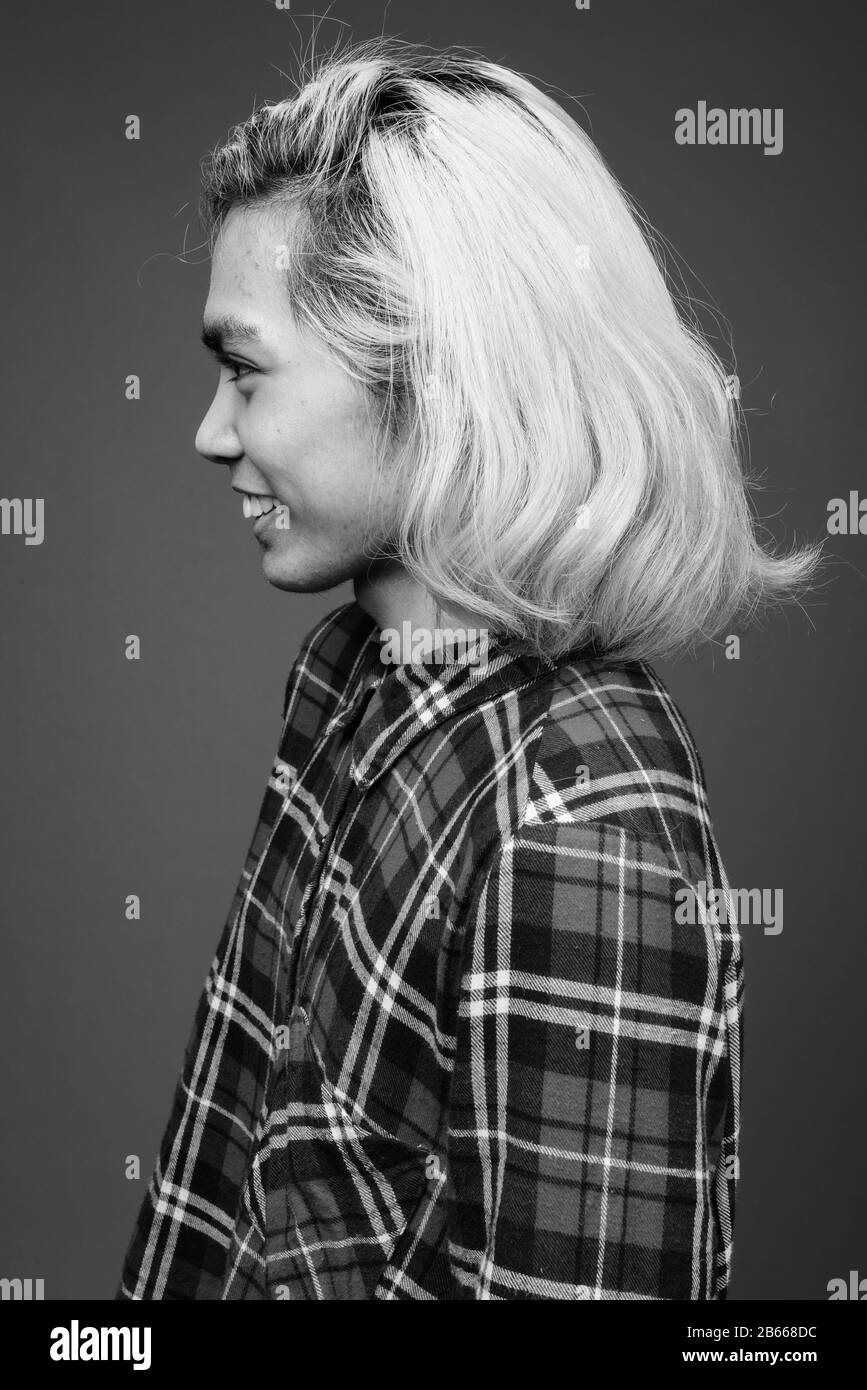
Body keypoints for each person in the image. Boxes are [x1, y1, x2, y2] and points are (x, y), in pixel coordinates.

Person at [115, 37, 818, 1301]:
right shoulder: (349, 680)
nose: (210, 433)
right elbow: (230, 1191)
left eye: (244, 369)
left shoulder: (579, 816)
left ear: (431, 371)